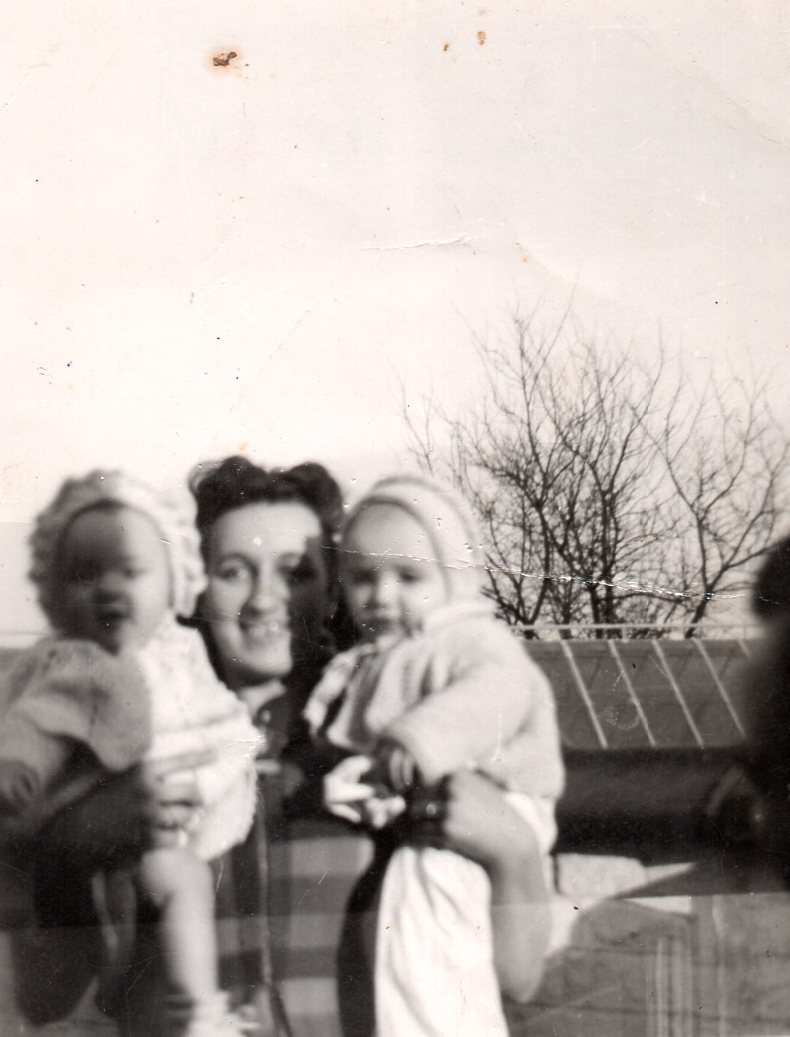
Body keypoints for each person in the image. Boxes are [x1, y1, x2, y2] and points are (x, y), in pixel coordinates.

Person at [16, 456, 555, 1037]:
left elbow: (519, 979)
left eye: (297, 573)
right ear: (194, 587)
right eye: (234, 571)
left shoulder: (402, 739)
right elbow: (43, 998)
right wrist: (76, 841)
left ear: (334, 590)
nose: (264, 599)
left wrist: (514, 852)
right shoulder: (127, 747)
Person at [0, 470, 261, 1037]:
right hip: (109, 828)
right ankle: (194, 1010)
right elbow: (35, 725)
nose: (108, 589)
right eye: (83, 575)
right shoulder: (76, 662)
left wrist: (228, 757)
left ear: (175, 582)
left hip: (173, 820)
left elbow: (218, 721)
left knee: (172, 898)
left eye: (132, 571)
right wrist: (18, 772)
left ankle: (181, 1004)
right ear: (53, 593)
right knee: (162, 891)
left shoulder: (181, 651)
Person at [303, 474, 564, 1036]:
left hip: (499, 801)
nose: (382, 596)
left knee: (425, 927)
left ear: (454, 577)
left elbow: (500, 691)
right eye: (363, 577)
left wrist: (418, 739)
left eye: (408, 576)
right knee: (410, 927)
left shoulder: (469, 638)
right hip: (440, 817)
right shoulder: (383, 654)